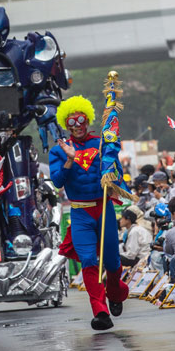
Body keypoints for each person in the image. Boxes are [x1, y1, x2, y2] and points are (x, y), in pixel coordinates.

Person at [49, 95, 129, 331]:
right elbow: (57, 182)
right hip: (80, 213)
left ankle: (116, 292)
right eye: (71, 122)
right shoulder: (59, 151)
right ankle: (100, 311)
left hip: (103, 208)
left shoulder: (103, 143)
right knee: (88, 260)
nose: (77, 126)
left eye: (81, 120)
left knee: (113, 262)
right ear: (66, 125)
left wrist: (113, 180)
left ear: (88, 120)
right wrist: (69, 160)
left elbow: (117, 173)